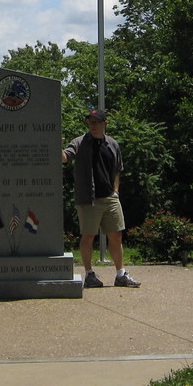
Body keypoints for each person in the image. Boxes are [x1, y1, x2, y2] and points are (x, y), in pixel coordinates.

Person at [62, 108, 141, 288]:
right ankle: (89, 275)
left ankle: (121, 275)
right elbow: (65, 157)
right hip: (89, 199)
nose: (93, 125)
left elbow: (117, 170)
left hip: (110, 198)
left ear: (105, 124)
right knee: (88, 236)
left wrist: (115, 191)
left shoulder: (112, 144)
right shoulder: (80, 142)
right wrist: (54, 147)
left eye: (96, 122)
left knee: (116, 236)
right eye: (90, 121)